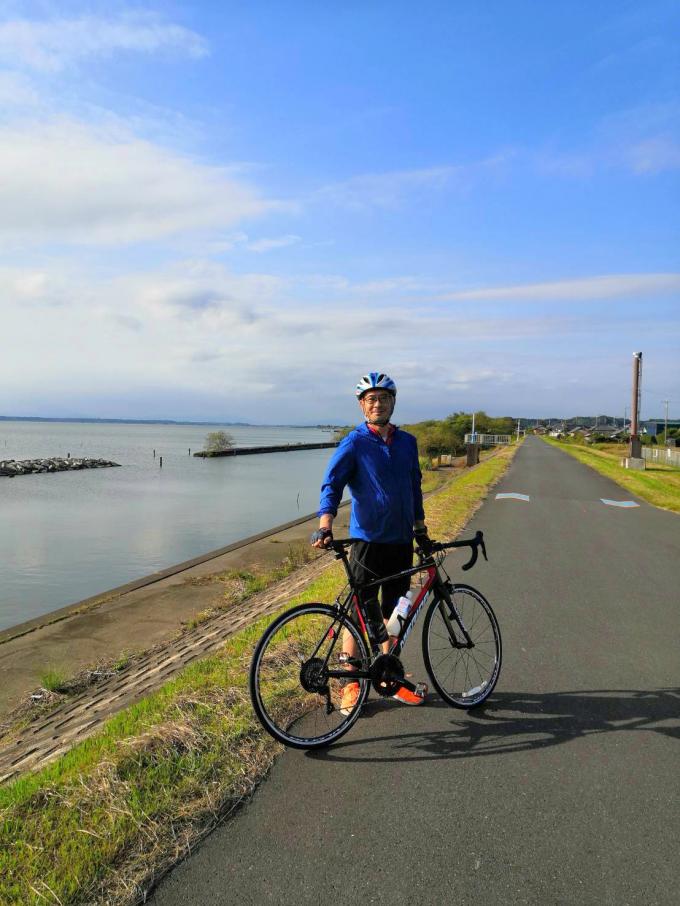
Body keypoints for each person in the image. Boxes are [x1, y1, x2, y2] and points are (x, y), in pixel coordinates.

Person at [311, 372, 431, 712]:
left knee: (395, 612)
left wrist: (420, 527)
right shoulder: (354, 442)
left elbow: (414, 485)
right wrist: (325, 524)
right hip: (368, 542)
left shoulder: (408, 442)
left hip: (400, 541)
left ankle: (388, 677)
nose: (377, 404)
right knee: (361, 612)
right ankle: (351, 681)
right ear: (363, 406)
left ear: (393, 402)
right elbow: (331, 485)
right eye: (370, 399)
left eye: (383, 398)